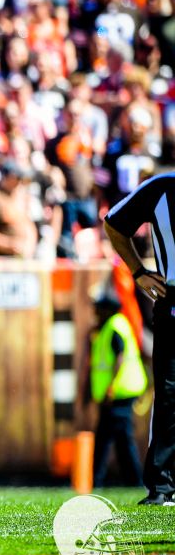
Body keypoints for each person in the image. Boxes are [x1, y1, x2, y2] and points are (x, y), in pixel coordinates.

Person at [104, 171, 175, 506]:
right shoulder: (161, 188)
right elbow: (114, 224)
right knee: (169, 396)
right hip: (172, 302)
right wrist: (137, 271)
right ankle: (163, 487)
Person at [90, 289, 148, 488]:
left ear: (107, 309)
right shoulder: (112, 326)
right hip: (121, 391)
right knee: (121, 439)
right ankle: (134, 482)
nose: (95, 311)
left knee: (106, 438)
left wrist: (110, 388)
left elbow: (119, 358)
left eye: (98, 308)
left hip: (119, 392)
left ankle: (98, 481)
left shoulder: (114, 326)